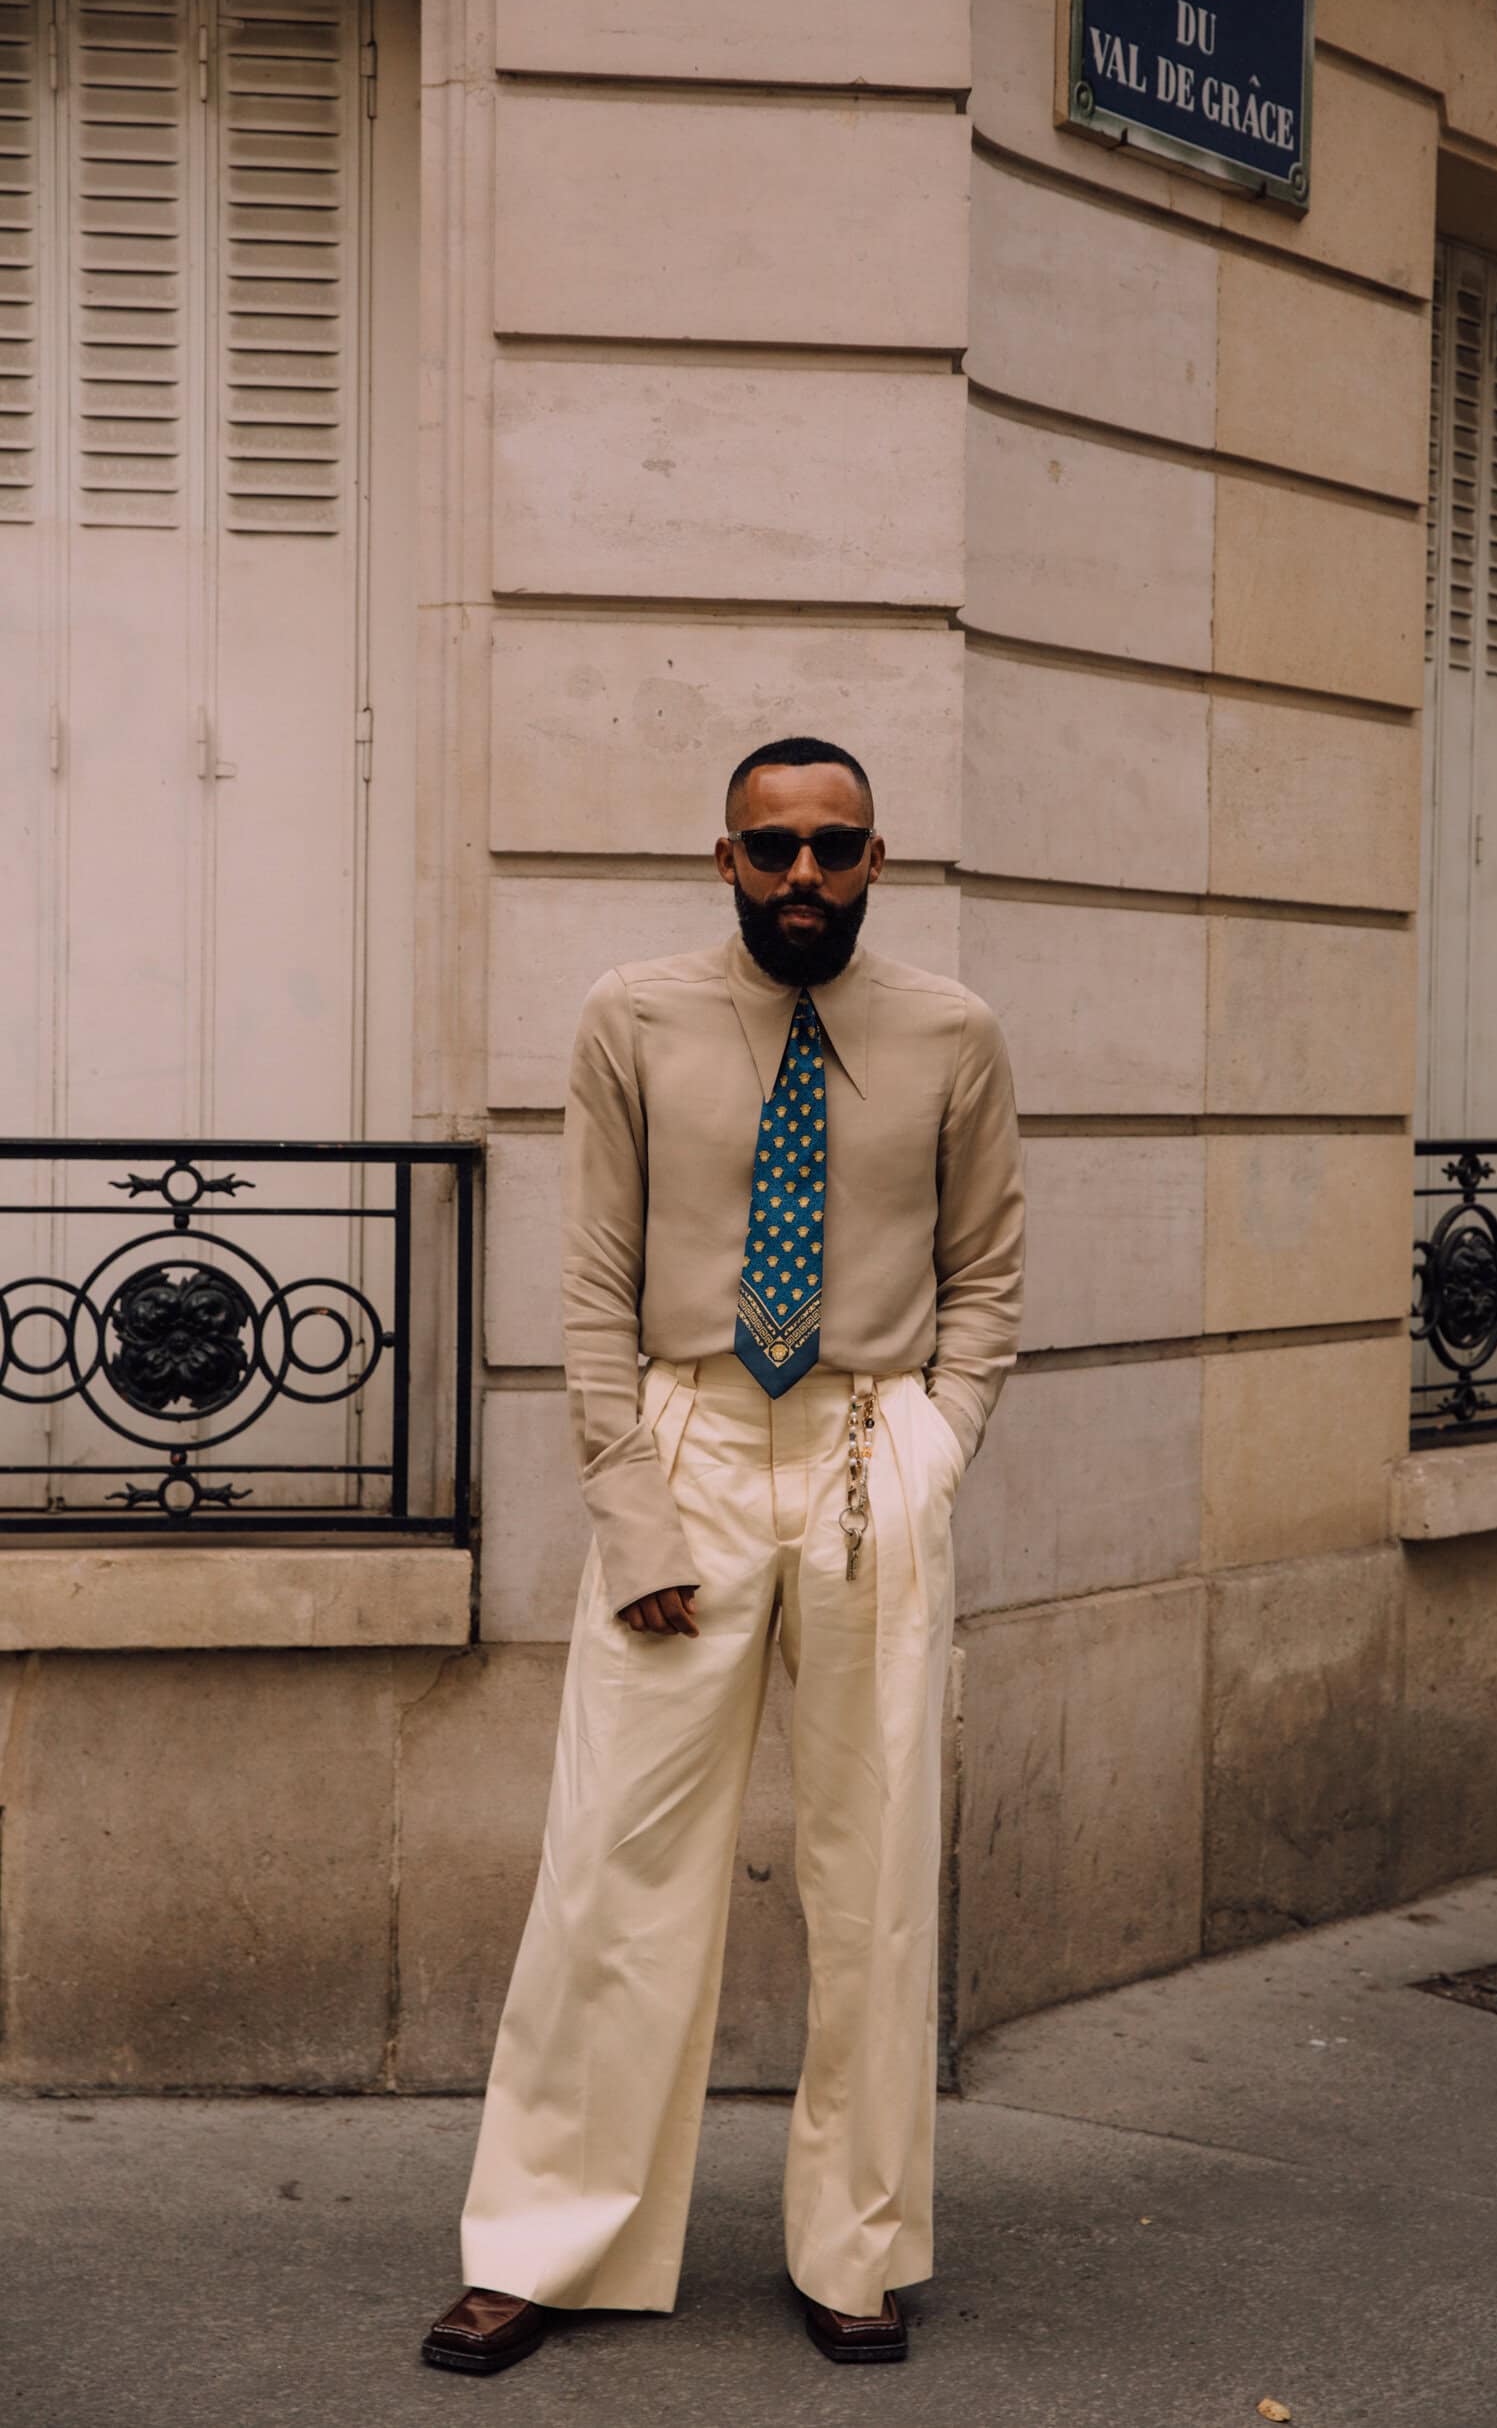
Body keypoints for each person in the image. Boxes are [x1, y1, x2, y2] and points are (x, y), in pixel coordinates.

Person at [421, 734, 1025, 2374]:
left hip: (868, 1455)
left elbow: (986, 1276)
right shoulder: (633, 1018)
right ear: (727, 859)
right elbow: (591, 1284)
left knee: (876, 1878)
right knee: (613, 1865)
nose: (802, 875)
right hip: (684, 1445)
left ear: (878, 858)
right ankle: (544, 2244)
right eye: (773, 848)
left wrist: (935, 1450)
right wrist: (631, 1510)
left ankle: (856, 2249)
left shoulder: (954, 1034)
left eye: (833, 846)